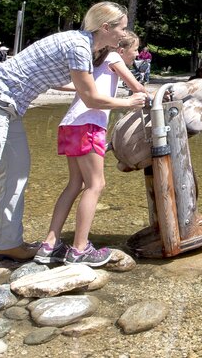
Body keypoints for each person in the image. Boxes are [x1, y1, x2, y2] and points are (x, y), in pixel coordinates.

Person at [0, 2, 147, 310]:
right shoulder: (79, 45)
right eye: (121, 27)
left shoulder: (82, 47)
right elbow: (89, 97)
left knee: (17, 172)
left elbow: (71, 85)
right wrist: (129, 104)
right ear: (106, 28)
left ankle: (5, 243)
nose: (124, 33)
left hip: (9, 108)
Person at [36, 31, 145, 267]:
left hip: (69, 125)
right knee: (96, 185)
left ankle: (49, 245)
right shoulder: (113, 58)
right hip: (89, 125)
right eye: (135, 49)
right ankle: (79, 249)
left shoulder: (94, 63)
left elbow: (70, 86)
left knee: (75, 184)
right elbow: (137, 88)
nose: (137, 54)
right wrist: (157, 96)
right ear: (122, 48)